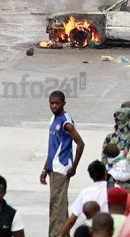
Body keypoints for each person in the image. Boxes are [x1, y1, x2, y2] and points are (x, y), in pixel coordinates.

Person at [41, 91, 85, 237]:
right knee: (58, 205)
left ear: (63, 104)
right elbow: (52, 147)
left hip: (61, 168)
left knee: (57, 207)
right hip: (52, 168)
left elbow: (80, 144)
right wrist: (44, 169)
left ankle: (55, 235)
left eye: (57, 103)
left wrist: (74, 167)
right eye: (51, 103)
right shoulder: (53, 119)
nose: (54, 106)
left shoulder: (66, 123)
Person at [58, 161, 108, 237]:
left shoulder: (85, 193)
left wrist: (60, 235)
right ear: (105, 173)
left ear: (91, 176)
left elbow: (72, 220)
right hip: (108, 227)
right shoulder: (115, 188)